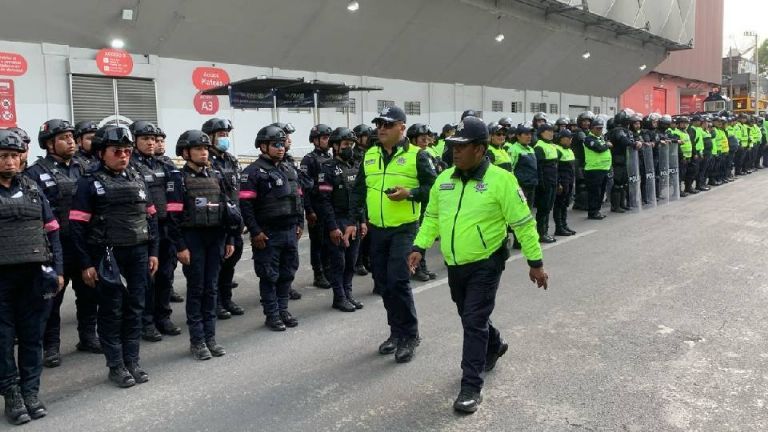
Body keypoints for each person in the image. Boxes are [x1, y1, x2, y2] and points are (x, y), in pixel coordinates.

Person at [407, 116, 548, 414]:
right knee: (470, 315)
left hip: (486, 263)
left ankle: (471, 386)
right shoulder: (444, 180)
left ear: (480, 149)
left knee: (472, 321)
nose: (455, 151)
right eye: (453, 146)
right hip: (455, 264)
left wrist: (535, 262)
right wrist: (419, 246)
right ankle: (494, 344)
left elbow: (523, 223)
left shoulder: (501, 180)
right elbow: (431, 217)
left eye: (462, 146)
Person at [69, 125, 159, 388]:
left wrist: (153, 252)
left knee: (136, 307)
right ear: (101, 153)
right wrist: (86, 263)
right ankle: (116, 366)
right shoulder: (88, 182)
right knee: (112, 310)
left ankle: (132, 361)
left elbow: (151, 218)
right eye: (116, 151)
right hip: (107, 254)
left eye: (127, 151)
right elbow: (77, 227)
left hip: (138, 251)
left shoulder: (138, 177)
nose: (123, 156)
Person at [352, 105, 436, 363]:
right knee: (383, 282)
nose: (381, 129)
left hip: (404, 228)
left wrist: (410, 193)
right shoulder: (370, 155)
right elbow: (359, 190)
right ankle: (396, 332)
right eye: (379, 124)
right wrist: (353, 220)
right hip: (377, 229)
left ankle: (410, 335)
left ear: (402, 127)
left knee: (398, 281)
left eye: (387, 124)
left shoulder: (417, 156)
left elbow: (433, 189)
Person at [0, 129, 63, 424]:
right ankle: (12, 395)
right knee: (3, 340)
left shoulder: (32, 188)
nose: (10, 162)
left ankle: (30, 392)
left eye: (14, 156)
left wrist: (58, 269)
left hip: (33, 276)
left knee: (31, 337)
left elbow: (53, 231)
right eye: (3, 156)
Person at [26, 119, 99, 369]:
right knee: (51, 299)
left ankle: (88, 337)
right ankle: (51, 347)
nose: (70, 142)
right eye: (64, 138)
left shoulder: (85, 168)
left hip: (83, 244)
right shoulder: (35, 173)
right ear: (49, 144)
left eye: (71, 137)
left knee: (88, 293)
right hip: (54, 248)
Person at [166, 130, 236, 360]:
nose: (204, 152)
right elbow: (173, 218)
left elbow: (227, 209)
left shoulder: (216, 175)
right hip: (193, 239)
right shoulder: (178, 179)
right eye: (198, 148)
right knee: (197, 290)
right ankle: (197, 341)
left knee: (211, 288)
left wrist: (230, 239)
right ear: (186, 153)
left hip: (216, 238)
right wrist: (180, 246)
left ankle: (210, 338)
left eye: (206, 148)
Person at [239, 125, 303, 331]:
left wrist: (300, 223)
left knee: (287, 273)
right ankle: (272, 315)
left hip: (289, 230)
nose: (280, 148)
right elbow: (246, 207)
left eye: (282, 144)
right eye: (275, 144)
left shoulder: (288, 169)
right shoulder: (252, 172)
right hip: (267, 233)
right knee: (269, 275)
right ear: (263, 146)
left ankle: (283, 310)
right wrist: (255, 231)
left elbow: (298, 198)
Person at [128, 121, 182, 341]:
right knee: (146, 278)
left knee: (165, 275)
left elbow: (175, 193)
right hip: (144, 229)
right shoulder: (129, 165)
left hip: (166, 226)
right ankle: (146, 322)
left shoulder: (164, 164)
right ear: (134, 141)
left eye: (153, 139)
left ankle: (163, 317)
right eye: (145, 139)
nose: (151, 143)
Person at [316, 127, 366, 312]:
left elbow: (359, 198)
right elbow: (324, 201)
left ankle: (348, 294)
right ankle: (339, 297)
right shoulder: (327, 169)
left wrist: (362, 221)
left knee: (351, 261)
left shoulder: (355, 166)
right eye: (345, 144)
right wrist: (332, 227)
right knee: (339, 263)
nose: (349, 148)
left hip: (353, 221)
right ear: (335, 146)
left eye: (351, 144)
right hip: (338, 220)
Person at [201, 118, 244, 319]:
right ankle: (215, 303)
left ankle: (227, 299)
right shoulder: (206, 161)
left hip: (233, 218)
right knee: (216, 265)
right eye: (220, 135)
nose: (224, 138)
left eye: (226, 135)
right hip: (217, 219)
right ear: (209, 137)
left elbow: (237, 190)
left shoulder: (231, 160)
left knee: (230, 262)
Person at [271, 121, 303, 300]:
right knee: (273, 264)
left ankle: (285, 288)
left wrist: (300, 220)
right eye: (285, 137)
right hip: (274, 221)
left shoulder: (289, 162)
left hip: (291, 218)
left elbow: (298, 192)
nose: (288, 141)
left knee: (290, 260)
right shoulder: (267, 166)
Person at [300, 124, 334, 289]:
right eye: (325, 138)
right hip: (316, 206)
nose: (328, 141)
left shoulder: (331, 157)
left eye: (328, 138)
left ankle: (328, 271)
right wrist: (309, 210)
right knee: (318, 243)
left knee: (328, 242)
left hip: (328, 207)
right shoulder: (309, 160)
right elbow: (305, 189)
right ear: (315, 140)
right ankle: (318, 274)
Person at [153, 127, 184, 304]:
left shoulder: (168, 163)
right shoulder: (140, 165)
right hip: (153, 222)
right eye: (155, 141)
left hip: (168, 220)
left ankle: (168, 288)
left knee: (170, 260)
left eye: (161, 141)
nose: (159, 144)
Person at [406, 123, 440, 281]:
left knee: (423, 236)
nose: (426, 141)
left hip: (427, 199)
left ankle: (422, 266)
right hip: (416, 200)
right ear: (413, 139)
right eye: (422, 138)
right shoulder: (412, 155)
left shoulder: (426, 154)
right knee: (417, 238)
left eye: (427, 138)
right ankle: (416, 268)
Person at [533, 123, 558, 243]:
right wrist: (541, 184)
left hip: (552, 180)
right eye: (549, 131)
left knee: (548, 208)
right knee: (543, 208)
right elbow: (539, 168)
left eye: (552, 131)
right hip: (545, 182)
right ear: (542, 133)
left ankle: (546, 231)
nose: (551, 133)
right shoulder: (539, 146)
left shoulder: (551, 145)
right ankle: (541, 233)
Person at [582, 117, 612, 220]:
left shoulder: (601, 138)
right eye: (597, 128)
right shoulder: (589, 139)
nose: (600, 130)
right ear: (592, 128)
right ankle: (592, 212)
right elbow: (599, 149)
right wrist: (607, 145)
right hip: (593, 170)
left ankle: (597, 211)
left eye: (601, 128)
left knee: (601, 192)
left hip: (603, 169)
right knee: (594, 193)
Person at [553, 129, 576, 236]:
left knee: (565, 204)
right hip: (562, 181)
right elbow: (555, 169)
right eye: (567, 138)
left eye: (571, 138)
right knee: (559, 204)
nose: (570, 140)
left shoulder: (569, 150)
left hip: (569, 181)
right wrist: (558, 183)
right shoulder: (557, 150)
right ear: (561, 139)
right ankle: (559, 227)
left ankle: (564, 225)